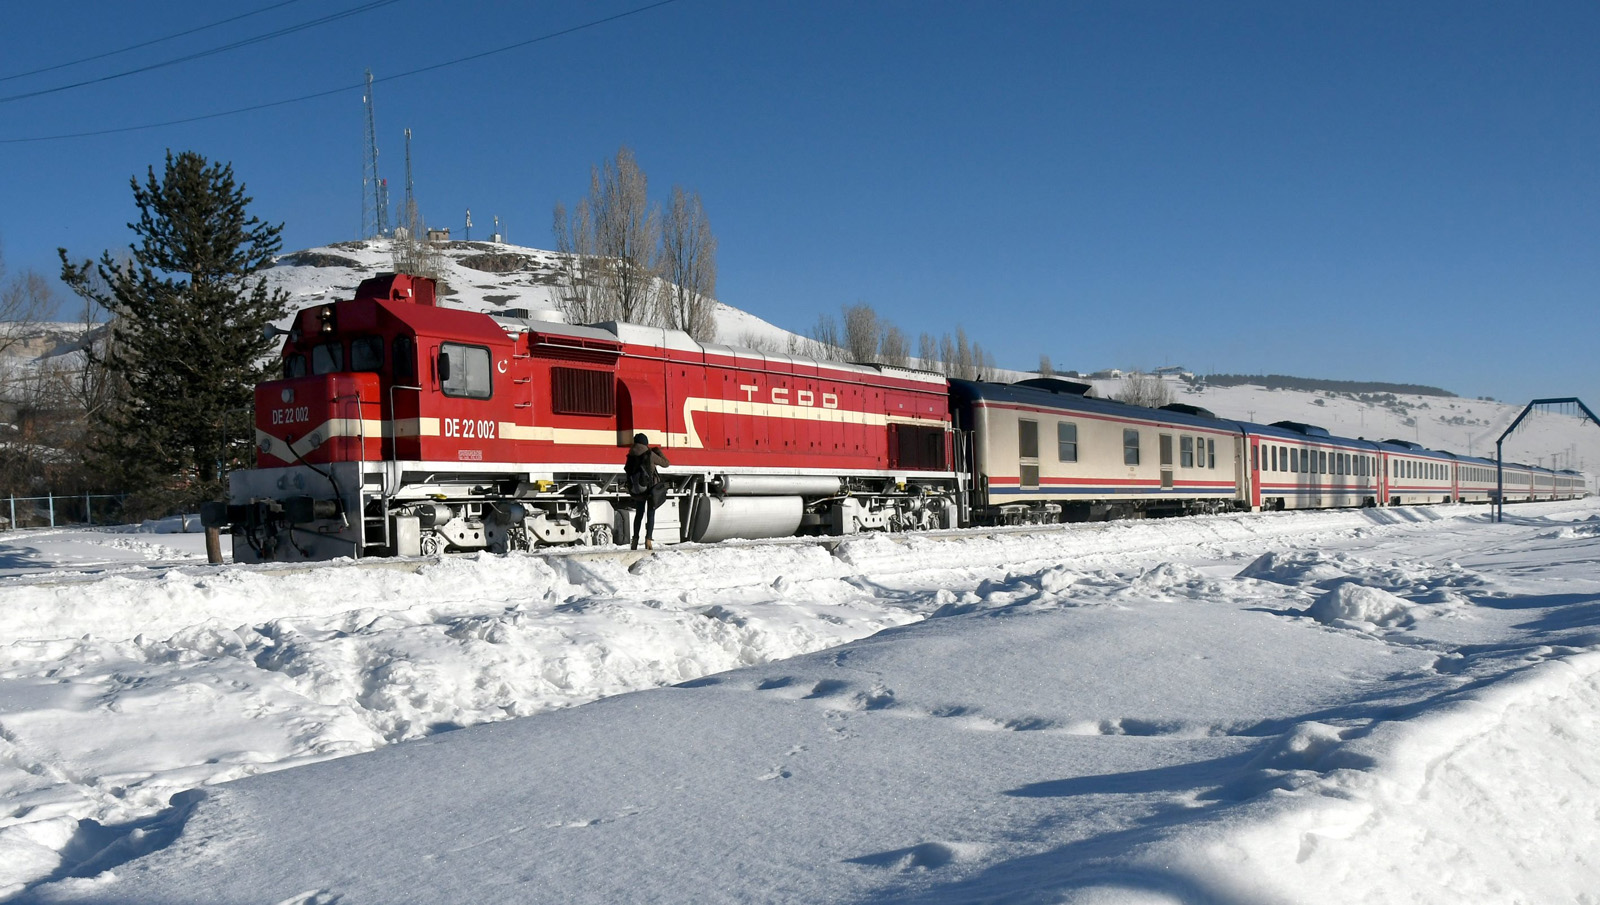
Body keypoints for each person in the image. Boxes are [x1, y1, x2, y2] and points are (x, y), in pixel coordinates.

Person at [624, 432, 670, 550]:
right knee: (650, 514)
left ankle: (635, 540)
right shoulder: (650, 454)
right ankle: (648, 540)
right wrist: (658, 451)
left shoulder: (630, 455)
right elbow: (666, 463)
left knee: (639, 514)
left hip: (638, 490)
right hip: (650, 490)